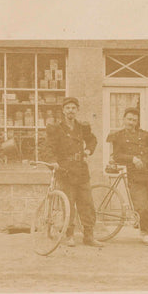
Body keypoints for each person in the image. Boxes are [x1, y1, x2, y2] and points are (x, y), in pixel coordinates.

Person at [44, 97, 103, 247]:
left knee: (87, 204)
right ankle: (69, 235)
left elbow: (92, 140)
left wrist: (88, 150)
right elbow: (48, 147)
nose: (71, 110)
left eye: (73, 108)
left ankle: (89, 236)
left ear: (77, 110)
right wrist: (53, 161)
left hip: (81, 170)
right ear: (63, 111)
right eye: (68, 108)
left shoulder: (82, 127)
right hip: (65, 170)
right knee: (68, 204)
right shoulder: (56, 128)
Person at [107, 107, 148, 246]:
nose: (131, 122)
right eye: (129, 119)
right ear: (123, 119)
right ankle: (144, 233)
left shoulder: (145, 135)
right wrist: (132, 158)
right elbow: (116, 156)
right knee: (142, 206)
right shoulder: (119, 136)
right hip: (136, 176)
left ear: (137, 121)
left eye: (134, 120)